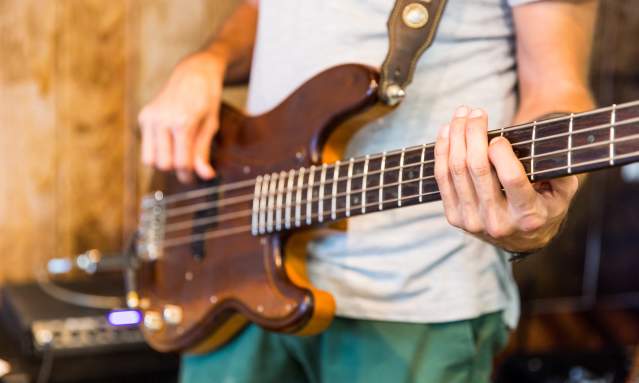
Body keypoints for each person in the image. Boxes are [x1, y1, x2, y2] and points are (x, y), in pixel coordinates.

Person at [138, 0, 597, 382]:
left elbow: (556, 85)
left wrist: (531, 217)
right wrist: (208, 59)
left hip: (414, 297)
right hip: (235, 271)